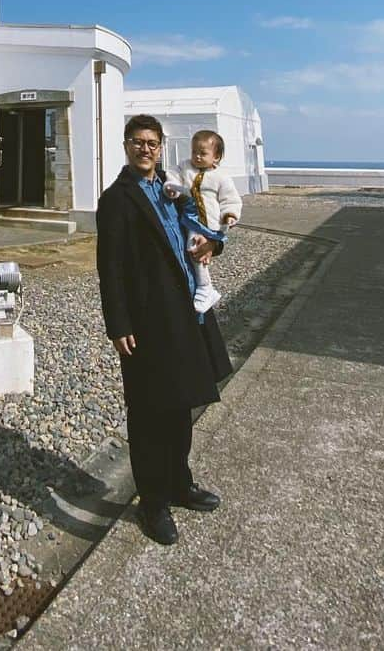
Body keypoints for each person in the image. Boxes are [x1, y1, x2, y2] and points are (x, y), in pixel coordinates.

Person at [96, 114, 233, 546]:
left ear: (161, 147)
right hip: (146, 320)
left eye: (152, 143)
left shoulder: (173, 189)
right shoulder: (117, 199)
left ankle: (179, 482)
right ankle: (152, 501)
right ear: (125, 145)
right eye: (137, 142)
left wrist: (217, 242)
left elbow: (202, 224)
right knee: (149, 411)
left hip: (187, 310)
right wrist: (117, 323)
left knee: (183, 403)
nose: (145, 149)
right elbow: (110, 267)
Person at [165, 130, 244, 314]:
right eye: (194, 152)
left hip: (211, 224)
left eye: (203, 153)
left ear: (216, 157)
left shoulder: (221, 178)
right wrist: (172, 187)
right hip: (192, 220)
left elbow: (230, 200)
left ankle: (205, 287)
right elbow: (173, 175)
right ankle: (203, 287)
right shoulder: (186, 167)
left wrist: (230, 215)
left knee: (196, 251)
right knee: (193, 249)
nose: (197, 157)